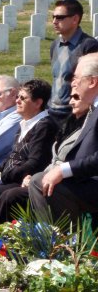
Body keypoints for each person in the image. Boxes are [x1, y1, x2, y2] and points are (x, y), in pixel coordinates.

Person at [29, 53, 98, 225]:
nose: (73, 83)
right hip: (86, 178)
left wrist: (63, 170)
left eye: (76, 78)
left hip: (92, 180)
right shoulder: (93, 110)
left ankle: (57, 246)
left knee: (39, 182)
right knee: (40, 179)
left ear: (92, 82)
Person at [0, 79, 58, 231]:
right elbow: (13, 157)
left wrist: (3, 175)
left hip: (26, 181)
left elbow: (34, 163)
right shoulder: (25, 123)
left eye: (22, 98)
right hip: (12, 177)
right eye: (17, 97)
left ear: (38, 103)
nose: (17, 100)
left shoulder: (44, 126)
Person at [49, 0, 98, 125]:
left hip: (73, 113)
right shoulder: (55, 45)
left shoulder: (88, 45)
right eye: (53, 17)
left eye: (60, 17)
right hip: (52, 111)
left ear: (75, 19)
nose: (54, 21)